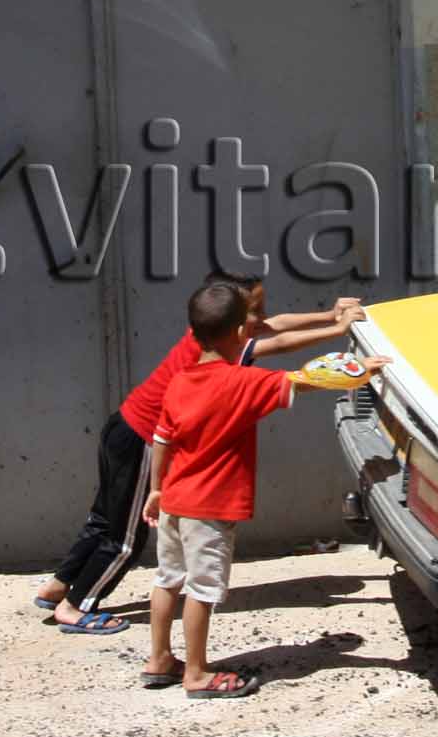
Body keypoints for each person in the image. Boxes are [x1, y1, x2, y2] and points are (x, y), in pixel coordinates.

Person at [32, 271, 360, 634]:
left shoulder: (208, 331)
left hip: (123, 427)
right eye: (255, 310)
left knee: (104, 519)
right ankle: (75, 606)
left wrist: (329, 315)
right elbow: (279, 342)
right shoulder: (221, 348)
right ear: (235, 321)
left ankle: (57, 586)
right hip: (143, 439)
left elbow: (275, 326)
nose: (263, 319)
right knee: (126, 539)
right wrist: (337, 329)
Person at [139, 280, 372, 697]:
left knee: (167, 579)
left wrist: (156, 491)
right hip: (209, 509)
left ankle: (159, 660)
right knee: (202, 589)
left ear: (193, 331)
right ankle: (196, 673)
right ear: (240, 333)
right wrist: (364, 370)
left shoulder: (178, 381)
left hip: (173, 499)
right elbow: (305, 380)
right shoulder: (242, 382)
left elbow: (161, 440)